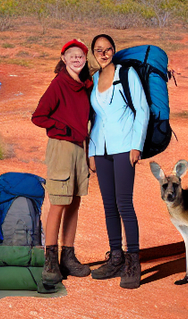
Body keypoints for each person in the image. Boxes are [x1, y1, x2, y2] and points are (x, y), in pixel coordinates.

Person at [86, 33, 147, 289]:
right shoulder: (94, 79)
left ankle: (133, 263)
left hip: (124, 147)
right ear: (93, 52)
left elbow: (142, 110)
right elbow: (93, 118)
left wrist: (136, 146)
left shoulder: (126, 74)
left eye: (107, 49)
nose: (103, 53)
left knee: (124, 204)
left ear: (114, 50)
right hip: (100, 149)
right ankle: (115, 258)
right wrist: (91, 151)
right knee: (109, 206)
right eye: (98, 50)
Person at [31, 38, 93, 287]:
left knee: (74, 202)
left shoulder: (85, 84)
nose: (77, 59)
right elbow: (39, 116)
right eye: (72, 55)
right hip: (62, 147)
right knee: (58, 203)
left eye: (81, 56)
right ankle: (50, 261)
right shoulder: (58, 84)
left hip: (80, 148)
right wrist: (63, 130)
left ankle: (68, 256)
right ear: (64, 59)